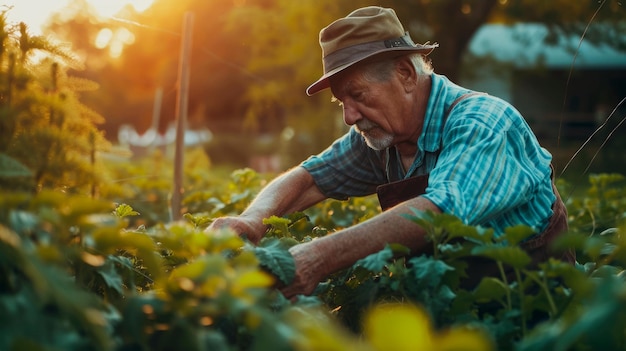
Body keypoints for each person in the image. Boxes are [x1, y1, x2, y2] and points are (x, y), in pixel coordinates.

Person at [207, 6, 575, 298]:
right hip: (448, 309)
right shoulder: (382, 135)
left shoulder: (484, 122)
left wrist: (316, 258)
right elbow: (311, 178)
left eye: (358, 95)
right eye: (341, 103)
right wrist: (252, 219)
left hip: (531, 311)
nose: (350, 116)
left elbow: (439, 211)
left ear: (405, 74)